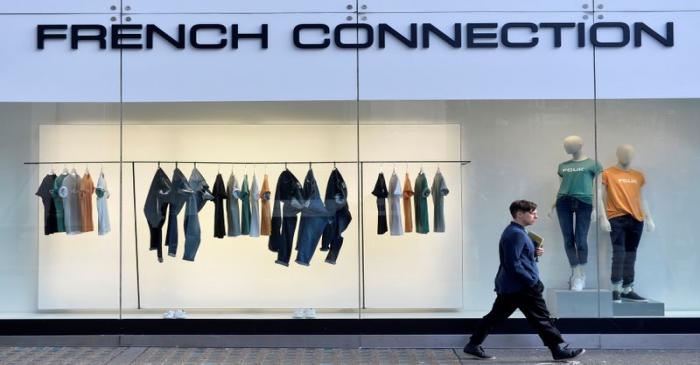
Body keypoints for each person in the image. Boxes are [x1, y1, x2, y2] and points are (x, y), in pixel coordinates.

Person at [463, 200, 585, 361]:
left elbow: (518, 259)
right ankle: (558, 350)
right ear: (520, 214)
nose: (536, 216)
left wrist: (534, 252)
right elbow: (512, 264)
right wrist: (532, 282)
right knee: (542, 318)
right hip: (522, 287)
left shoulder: (517, 231)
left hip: (512, 286)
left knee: (495, 317)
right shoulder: (515, 234)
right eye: (533, 213)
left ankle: (473, 344)